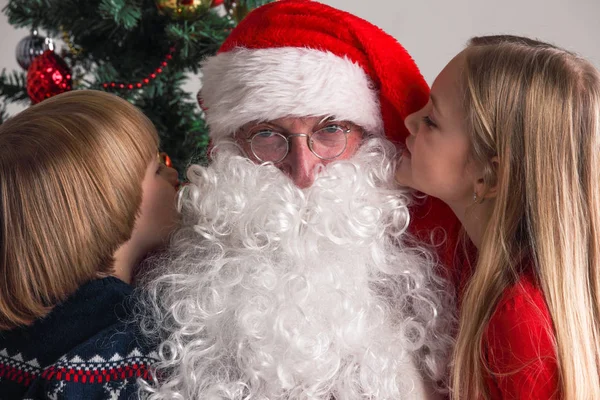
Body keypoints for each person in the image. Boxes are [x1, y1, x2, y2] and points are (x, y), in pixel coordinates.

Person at [139, 1, 459, 399]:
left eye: (330, 130)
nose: (303, 169)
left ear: (369, 139)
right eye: (268, 136)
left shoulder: (436, 280)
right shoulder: (178, 290)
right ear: (230, 149)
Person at [395, 34, 600, 399]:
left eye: (431, 121)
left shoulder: (520, 319)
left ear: (487, 176)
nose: (410, 120)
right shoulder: (469, 258)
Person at [0, 90, 180, 399]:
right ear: (109, 206)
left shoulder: (15, 338)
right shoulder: (135, 343)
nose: (174, 174)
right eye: (157, 169)